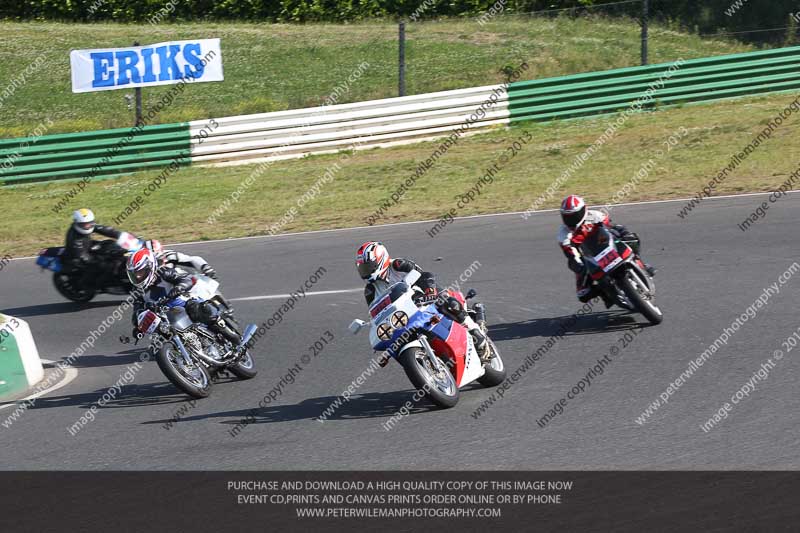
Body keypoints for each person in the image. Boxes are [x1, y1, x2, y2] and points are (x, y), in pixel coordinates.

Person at [355, 241, 491, 360]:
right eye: (362, 268)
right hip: (403, 314)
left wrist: (430, 292)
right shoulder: (370, 290)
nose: (365, 272)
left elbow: (424, 275)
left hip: (424, 295)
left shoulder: (398, 265)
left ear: (381, 260)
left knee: (446, 301)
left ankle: (475, 331)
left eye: (368, 267)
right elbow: (375, 313)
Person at [125, 248, 241, 350]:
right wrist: (139, 324)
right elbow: (137, 311)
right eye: (134, 274)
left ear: (150, 267)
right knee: (158, 335)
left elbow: (187, 279)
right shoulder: (138, 292)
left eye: (140, 272)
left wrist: (179, 287)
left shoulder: (163, 273)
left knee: (196, 308)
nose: (138, 277)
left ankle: (222, 326)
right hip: (167, 316)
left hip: (182, 302)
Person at [558, 195, 655, 304]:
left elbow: (614, 227)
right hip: (589, 258)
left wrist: (626, 234)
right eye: (567, 216)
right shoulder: (563, 234)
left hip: (607, 244)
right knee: (583, 294)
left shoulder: (595, 215)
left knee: (632, 239)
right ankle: (606, 292)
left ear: (584, 210)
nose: (570, 220)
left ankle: (641, 264)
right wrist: (577, 264)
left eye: (574, 215)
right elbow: (570, 253)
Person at [64, 208, 123, 288]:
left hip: (87, 246)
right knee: (102, 265)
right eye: (85, 224)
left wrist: (120, 235)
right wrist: (96, 260)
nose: (88, 226)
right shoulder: (74, 238)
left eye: (90, 223)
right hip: (76, 256)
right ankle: (94, 285)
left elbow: (104, 229)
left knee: (110, 244)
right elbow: (81, 255)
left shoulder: (88, 226)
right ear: (77, 223)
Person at [144, 240, 217, 279]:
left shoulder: (169, 255)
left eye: (157, 259)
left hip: (180, 281)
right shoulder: (142, 265)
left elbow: (192, 259)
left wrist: (205, 267)